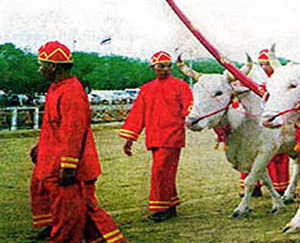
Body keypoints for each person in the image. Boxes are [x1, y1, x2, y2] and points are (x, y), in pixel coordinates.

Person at [31, 41, 125, 242]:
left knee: (70, 218)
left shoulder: (72, 91)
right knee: (82, 213)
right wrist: (41, 148)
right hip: (55, 164)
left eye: (42, 65)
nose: (40, 70)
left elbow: (74, 132)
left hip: (70, 170)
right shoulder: (55, 88)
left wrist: (68, 165)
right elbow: (53, 127)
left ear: (53, 66)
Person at [119, 51, 193, 222]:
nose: (165, 69)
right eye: (161, 66)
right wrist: (129, 139)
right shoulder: (146, 89)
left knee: (160, 171)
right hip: (154, 137)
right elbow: (138, 115)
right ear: (153, 68)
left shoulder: (181, 86)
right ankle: (170, 204)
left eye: (168, 66)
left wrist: (191, 118)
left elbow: (188, 106)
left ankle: (160, 208)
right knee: (165, 172)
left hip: (172, 136)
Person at [240, 48, 290, 196]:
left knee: (277, 154)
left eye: (266, 63)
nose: (263, 67)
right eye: (261, 64)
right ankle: (253, 185)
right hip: (256, 121)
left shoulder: (283, 79)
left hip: (276, 120)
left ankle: (280, 188)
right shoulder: (255, 78)